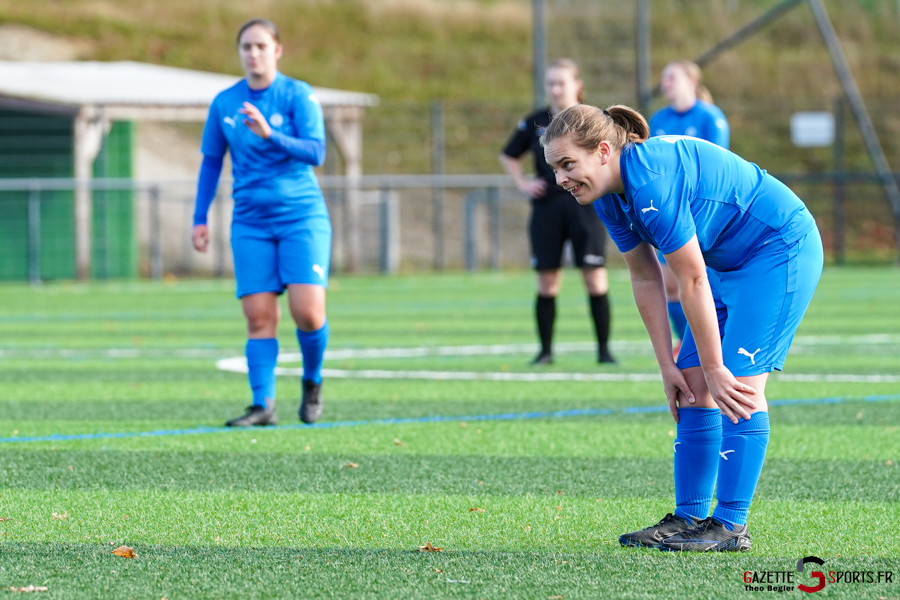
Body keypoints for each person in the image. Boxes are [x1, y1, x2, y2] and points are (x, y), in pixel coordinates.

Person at [542, 104, 823, 551]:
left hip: (779, 250)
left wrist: (715, 365)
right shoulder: (608, 195)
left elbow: (689, 279)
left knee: (737, 386)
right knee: (692, 386)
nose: (560, 179)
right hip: (724, 265)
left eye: (567, 164)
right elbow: (644, 276)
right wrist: (666, 364)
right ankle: (690, 516)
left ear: (601, 151)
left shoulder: (650, 179)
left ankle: (731, 525)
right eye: (554, 168)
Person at [192, 18, 331, 427]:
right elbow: (211, 162)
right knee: (258, 316)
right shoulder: (225, 103)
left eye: (260, 46)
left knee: (307, 314)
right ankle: (262, 405)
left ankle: (313, 381)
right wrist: (199, 218)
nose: (253, 54)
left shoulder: (297, 95)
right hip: (250, 222)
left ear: (277, 51)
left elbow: (316, 152)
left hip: (301, 218)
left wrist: (270, 134)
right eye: (246, 47)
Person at [499, 58, 615, 365]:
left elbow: (613, 152)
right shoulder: (536, 121)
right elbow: (509, 154)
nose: (555, 89)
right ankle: (545, 352)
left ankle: (604, 352)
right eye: (550, 83)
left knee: (595, 277)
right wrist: (523, 182)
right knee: (548, 281)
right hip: (548, 207)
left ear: (577, 85)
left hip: (586, 206)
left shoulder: (593, 120)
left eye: (561, 82)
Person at [649, 60, 730, 357]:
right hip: (670, 211)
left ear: (691, 81)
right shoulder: (658, 118)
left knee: (702, 283)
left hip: (700, 212)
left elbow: (718, 165)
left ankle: (716, 345)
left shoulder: (710, 117)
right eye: (663, 76)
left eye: (671, 76)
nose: (665, 82)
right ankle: (689, 346)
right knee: (671, 286)